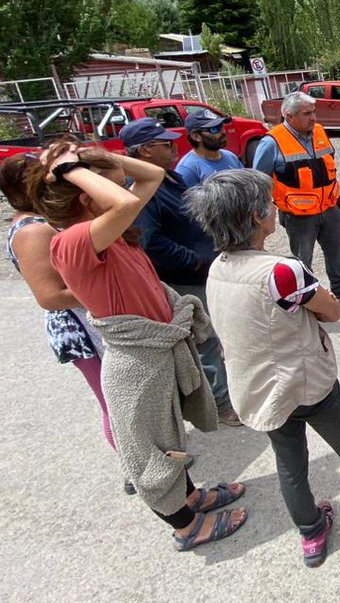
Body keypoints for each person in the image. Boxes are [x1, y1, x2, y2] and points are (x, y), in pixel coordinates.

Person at [185, 169, 340, 568]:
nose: (274, 206)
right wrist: (325, 297)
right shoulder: (281, 270)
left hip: (260, 389)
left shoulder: (217, 267)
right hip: (305, 383)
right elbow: (330, 311)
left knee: (290, 463)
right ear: (256, 218)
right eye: (267, 203)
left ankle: (311, 532)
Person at [27, 141, 247, 551]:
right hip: (135, 361)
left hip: (156, 349)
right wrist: (72, 168)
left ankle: (190, 496)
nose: (128, 192)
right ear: (86, 198)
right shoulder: (71, 242)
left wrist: (99, 156)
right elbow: (124, 205)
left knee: (171, 437)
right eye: (112, 185)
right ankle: (186, 527)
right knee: (150, 450)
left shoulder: (106, 235)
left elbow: (152, 175)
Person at [0, 153, 122, 484]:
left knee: (120, 397)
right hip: (78, 329)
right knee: (116, 402)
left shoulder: (41, 222)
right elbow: (49, 297)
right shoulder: (33, 232)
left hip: (87, 318)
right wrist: (111, 288)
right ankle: (134, 466)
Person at [122, 117, 241, 425]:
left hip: (202, 270)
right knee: (206, 341)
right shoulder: (144, 192)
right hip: (184, 279)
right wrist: (195, 260)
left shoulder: (169, 178)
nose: (173, 145)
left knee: (216, 338)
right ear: (145, 151)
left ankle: (225, 394)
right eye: (164, 143)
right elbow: (151, 242)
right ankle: (221, 405)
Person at [252, 92, 340, 302]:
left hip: (329, 208)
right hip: (298, 216)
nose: (313, 118)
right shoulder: (272, 142)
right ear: (289, 116)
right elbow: (259, 180)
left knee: (336, 250)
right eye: (307, 113)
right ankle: (306, 296)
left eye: (314, 112)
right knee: (303, 259)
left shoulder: (319, 131)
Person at [175, 108, 243, 184]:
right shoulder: (187, 169)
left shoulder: (231, 156)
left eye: (221, 126)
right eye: (214, 129)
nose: (223, 132)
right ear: (196, 136)